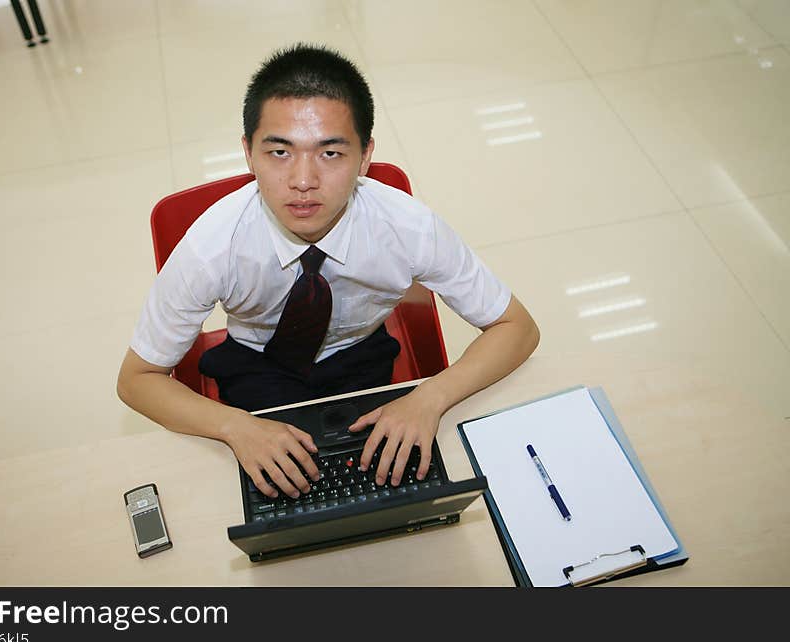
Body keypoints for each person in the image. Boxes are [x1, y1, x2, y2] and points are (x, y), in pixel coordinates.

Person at [117, 43, 539, 503]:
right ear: (248, 154)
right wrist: (232, 426)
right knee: (269, 498)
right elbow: (137, 380)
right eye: (279, 152)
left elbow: (517, 328)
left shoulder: (408, 227)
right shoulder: (212, 246)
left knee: (393, 492)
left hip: (361, 355)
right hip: (257, 363)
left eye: (331, 154)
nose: (303, 180)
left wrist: (430, 398)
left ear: (365, 157)